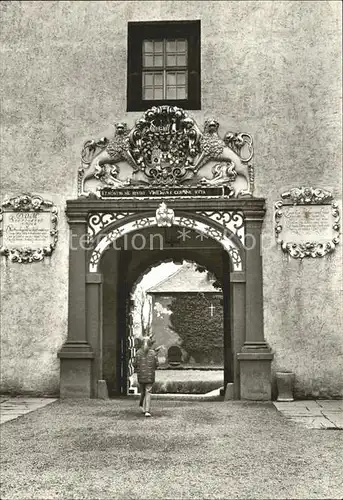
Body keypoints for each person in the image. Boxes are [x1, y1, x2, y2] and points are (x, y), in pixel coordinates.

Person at [133, 335, 159, 417]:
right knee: (148, 392)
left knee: (142, 391)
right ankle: (147, 410)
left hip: (141, 376)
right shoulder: (153, 353)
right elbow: (156, 364)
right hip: (150, 376)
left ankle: (141, 405)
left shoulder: (138, 352)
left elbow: (134, 364)